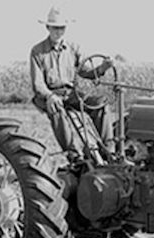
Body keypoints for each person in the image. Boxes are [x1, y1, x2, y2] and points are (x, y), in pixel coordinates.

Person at [30, 6, 115, 160]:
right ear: (47, 27)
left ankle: (108, 151)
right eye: (55, 28)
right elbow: (38, 84)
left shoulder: (73, 48)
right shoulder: (37, 51)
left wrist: (103, 67)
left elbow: (87, 72)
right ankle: (74, 155)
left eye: (61, 28)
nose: (58, 31)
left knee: (100, 104)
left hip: (70, 93)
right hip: (48, 94)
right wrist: (50, 96)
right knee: (56, 108)